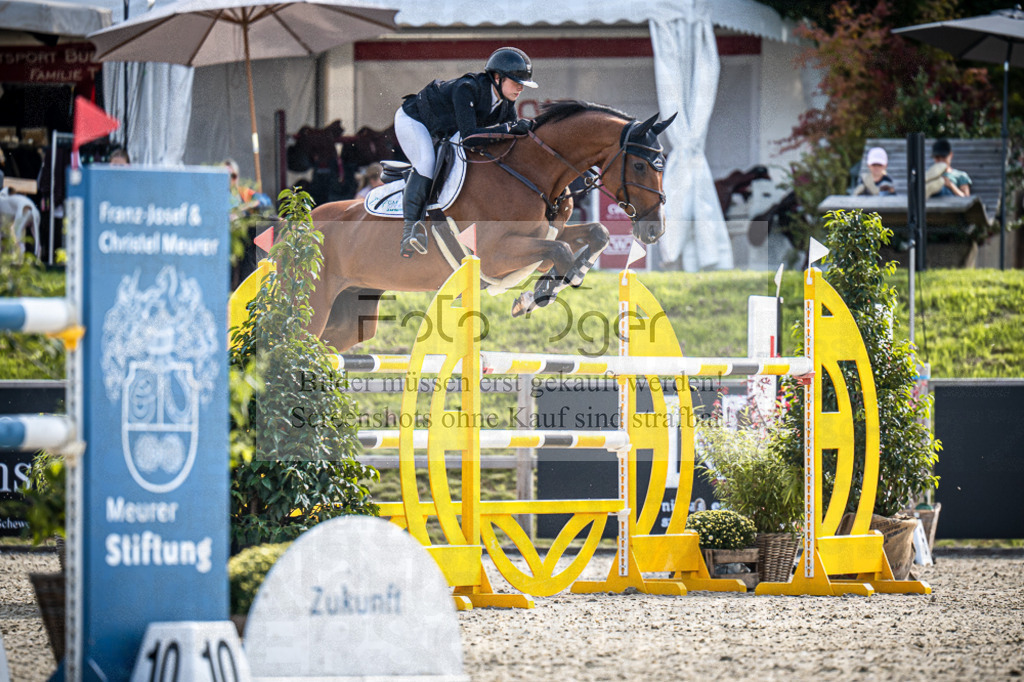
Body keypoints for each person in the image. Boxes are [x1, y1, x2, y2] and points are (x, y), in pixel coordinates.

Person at [394, 46, 538, 257]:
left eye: (523, 85)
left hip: (446, 130)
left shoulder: (506, 104)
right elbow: (469, 137)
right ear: (497, 77)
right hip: (415, 120)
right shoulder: (467, 88)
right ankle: (410, 232)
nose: (521, 89)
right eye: (517, 83)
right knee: (426, 163)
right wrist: (507, 129)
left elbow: (510, 141)